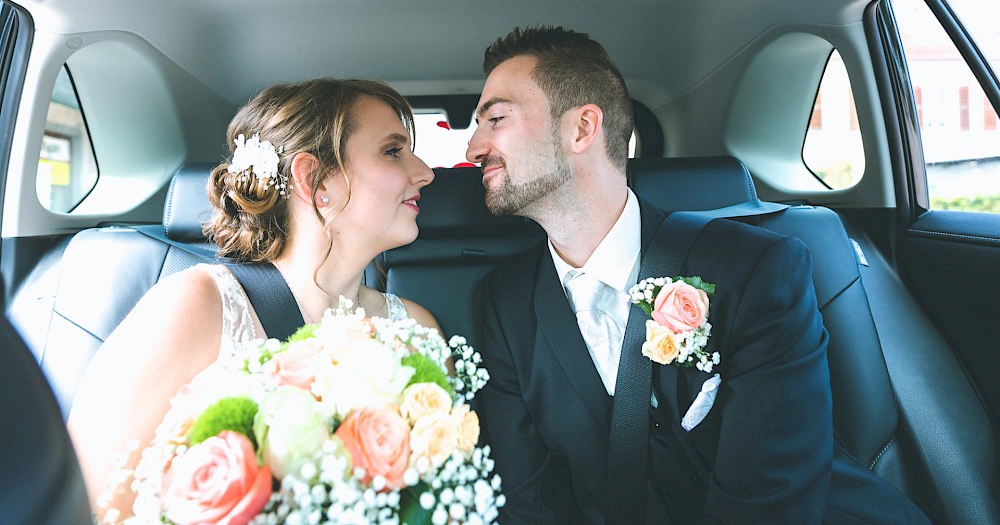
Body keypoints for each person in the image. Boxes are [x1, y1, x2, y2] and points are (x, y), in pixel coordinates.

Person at [465, 26, 930, 524]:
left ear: (581, 129)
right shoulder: (504, 303)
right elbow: (531, 504)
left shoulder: (754, 270)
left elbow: (772, 503)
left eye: (495, 119)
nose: (474, 147)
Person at [68, 77, 439, 521]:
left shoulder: (417, 330)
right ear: (315, 179)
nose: (427, 172)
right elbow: (89, 502)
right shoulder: (197, 306)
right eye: (393, 151)